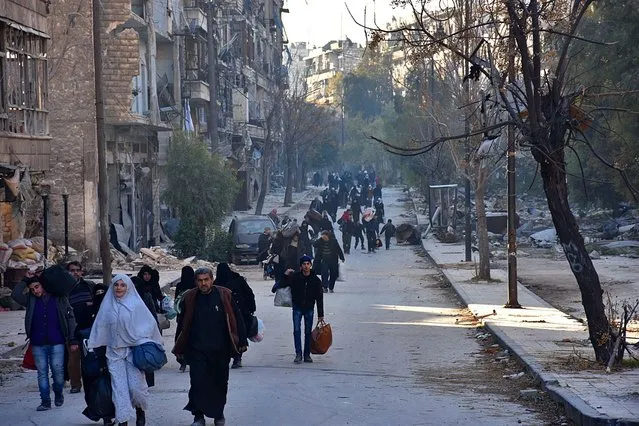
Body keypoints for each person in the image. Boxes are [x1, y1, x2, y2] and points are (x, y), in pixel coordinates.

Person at [172, 267, 248, 426]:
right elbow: (183, 323)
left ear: (212, 280)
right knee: (198, 382)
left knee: (220, 383)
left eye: (206, 280)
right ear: (196, 282)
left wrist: (241, 341)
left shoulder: (224, 295)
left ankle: (218, 414)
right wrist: (179, 346)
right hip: (197, 350)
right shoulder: (190, 297)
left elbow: (236, 317)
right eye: (200, 280)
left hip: (220, 350)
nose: (203, 283)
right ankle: (198, 416)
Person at [88, 274, 162, 426]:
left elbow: (149, 325)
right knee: (119, 389)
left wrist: (144, 341)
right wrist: (95, 345)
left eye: (122, 285)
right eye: (116, 285)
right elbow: (100, 327)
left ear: (128, 287)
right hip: (114, 353)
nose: (119, 288)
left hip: (132, 353)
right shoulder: (107, 306)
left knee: (137, 388)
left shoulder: (136, 305)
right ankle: (123, 420)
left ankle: (140, 410)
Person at [12, 273, 78, 411]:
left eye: (37, 287)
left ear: (43, 285)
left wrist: (72, 338)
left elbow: (70, 318)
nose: (35, 291)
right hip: (37, 343)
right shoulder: (30, 300)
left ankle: (58, 393)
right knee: (42, 373)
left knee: (58, 372)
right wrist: (25, 279)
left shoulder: (59, 298)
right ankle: (45, 401)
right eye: (32, 289)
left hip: (57, 341)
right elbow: (15, 295)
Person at [279, 255, 324, 363]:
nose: (306, 266)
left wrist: (320, 315)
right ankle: (298, 354)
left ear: (311, 265)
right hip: (297, 308)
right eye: (304, 264)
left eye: (308, 264)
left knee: (308, 332)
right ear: (300, 266)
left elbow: (319, 298)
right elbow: (280, 285)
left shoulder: (316, 280)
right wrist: (285, 275)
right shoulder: (295, 277)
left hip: (309, 308)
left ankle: (307, 354)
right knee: (296, 330)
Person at [214, 263, 256, 369]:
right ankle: (237, 357)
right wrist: (251, 308)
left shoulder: (217, 284)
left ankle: (233, 357)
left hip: (227, 314)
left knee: (228, 336)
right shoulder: (238, 279)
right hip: (240, 312)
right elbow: (249, 294)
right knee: (239, 335)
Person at [66, 261, 96, 394]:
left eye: (77, 270)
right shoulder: (64, 289)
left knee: (89, 356)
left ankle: (92, 382)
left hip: (89, 327)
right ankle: (75, 384)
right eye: (72, 270)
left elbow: (97, 301)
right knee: (73, 358)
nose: (75, 273)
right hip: (72, 328)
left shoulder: (89, 286)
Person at [175, 266, 196, 372]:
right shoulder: (195, 286)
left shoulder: (180, 285)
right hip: (193, 317)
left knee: (182, 338)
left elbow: (176, 302)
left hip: (182, 317)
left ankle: (183, 362)